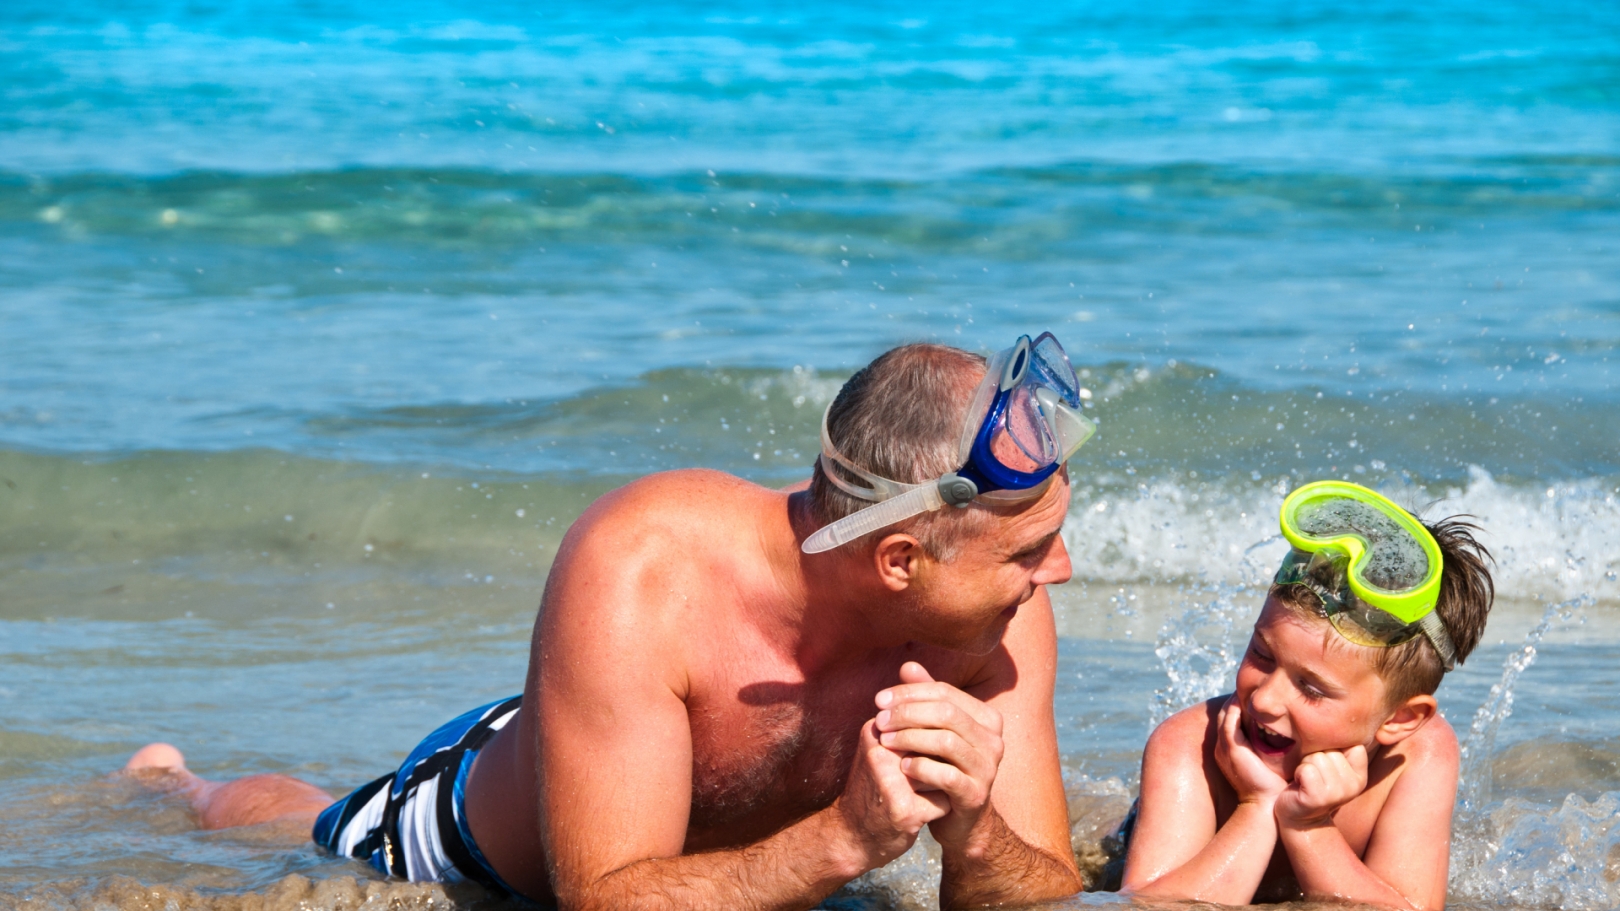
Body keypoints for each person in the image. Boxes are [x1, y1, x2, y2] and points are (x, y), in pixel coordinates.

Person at [124, 334, 1096, 909]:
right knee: (301, 823)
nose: (1057, 568)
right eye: (1026, 549)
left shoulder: (998, 615)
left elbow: (1047, 887)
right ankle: (179, 779)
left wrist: (972, 830)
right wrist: (844, 841)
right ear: (898, 558)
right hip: (486, 832)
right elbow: (603, 900)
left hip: (642, 760)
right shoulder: (645, 569)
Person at [1120, 481, 1495, 910]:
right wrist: (1256, 807)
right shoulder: (1187, 746)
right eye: (1261, 654)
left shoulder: (1419, 756)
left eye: (1311, 688)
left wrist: (1309, 825)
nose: (1264, 699)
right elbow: (1146, 906)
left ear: (1399, 719)